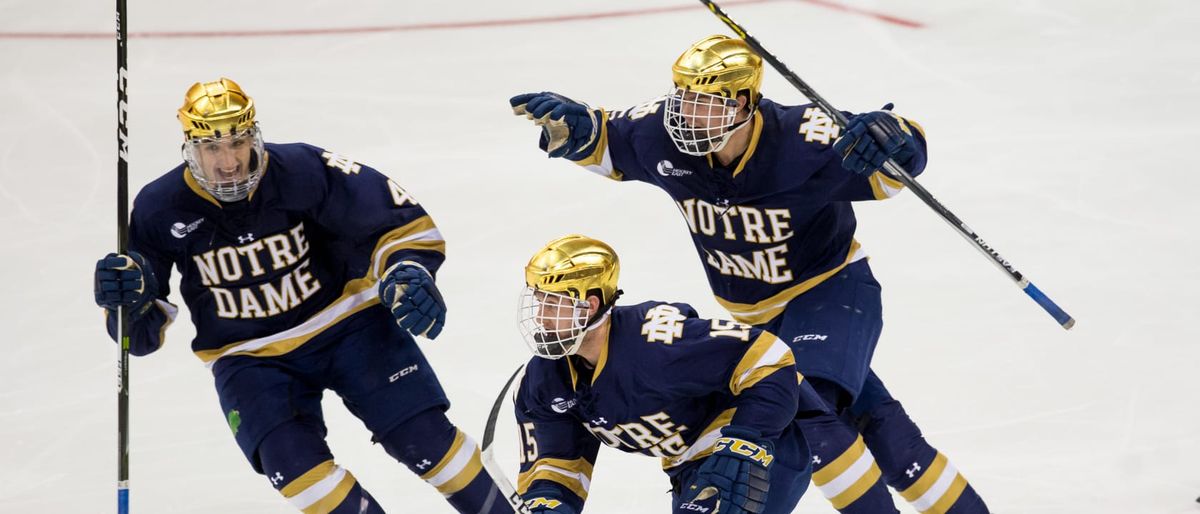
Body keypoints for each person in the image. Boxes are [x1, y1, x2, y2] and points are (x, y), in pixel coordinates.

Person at [509, 35, 990, 514]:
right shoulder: (664, 135)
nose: (685, 115)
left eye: (704, 102)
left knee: (806, 420)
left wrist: (897, 138)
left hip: (829, 294)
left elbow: (895, 165)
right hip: (757, 321)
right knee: (887, 434)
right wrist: (575, 130)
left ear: (742, 103)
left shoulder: (803, 139)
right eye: (684, 98)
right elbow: (608, 139)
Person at [93, 78, 514, 514]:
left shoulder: (302, 168)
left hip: (349, 324)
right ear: (190, 147)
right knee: (299, 473)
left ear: (254, 135)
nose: (228, 162)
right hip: (251, 358)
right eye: (211, 147)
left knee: (426, 439)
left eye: (237, 143)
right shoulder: (159, 208)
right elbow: (138, 339)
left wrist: (405, 271)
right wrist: (128, 300)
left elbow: (399, 221)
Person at [513, 234, 827, 514]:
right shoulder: (544, 381)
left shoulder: (655, 343)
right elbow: (558, 464)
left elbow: (768, 357)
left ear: (590, 305)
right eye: (540, 302)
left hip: (755, 450)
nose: (541, 316)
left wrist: (745, 440)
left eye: (554, 304)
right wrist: (549, 504)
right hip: (689, 469)